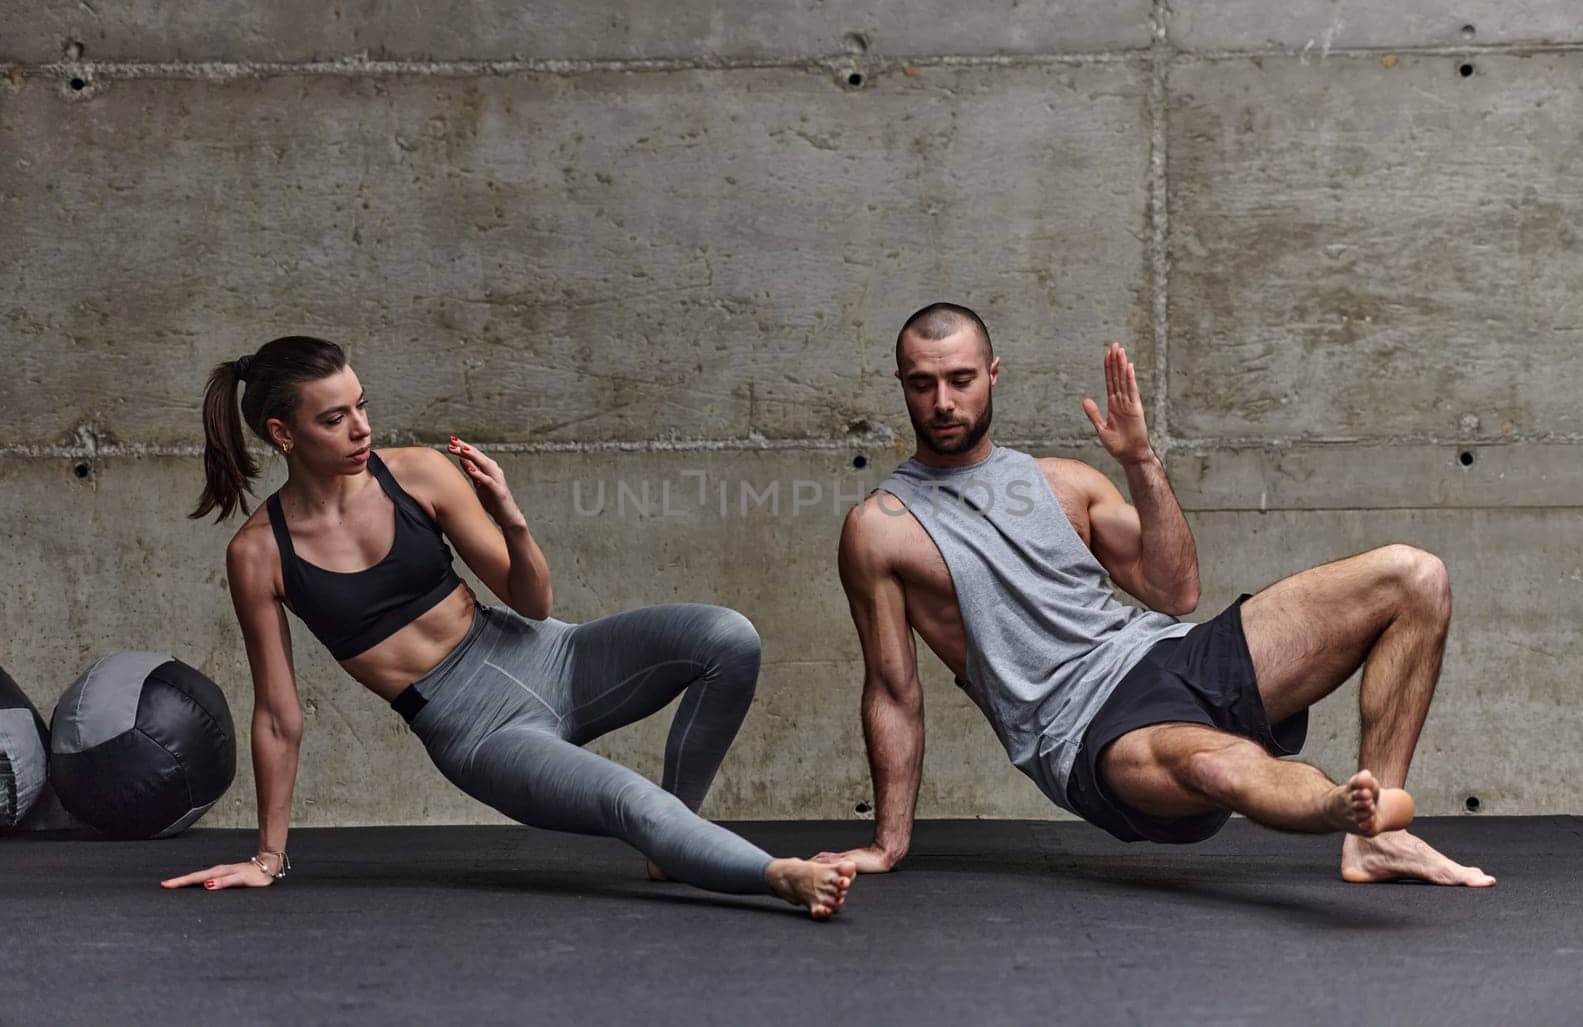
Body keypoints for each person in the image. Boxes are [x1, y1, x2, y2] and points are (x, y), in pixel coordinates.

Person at [162, 336, 854, 918]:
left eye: (363, 405)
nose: (362, 428)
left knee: (728, 637)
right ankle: (777, 875)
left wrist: (511, 517)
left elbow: (534, 601)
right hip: (480, 730)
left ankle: (671, 847)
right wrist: (268, 857)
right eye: (334, 418)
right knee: (629, 796)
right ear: (283, 433)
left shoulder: (419, 474)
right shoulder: (260, 553)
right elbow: (280, 717)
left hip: (549, 655)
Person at [814, 303, 1493, 887]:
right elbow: (893, 688)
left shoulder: (1065, 481)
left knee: (1415, 577)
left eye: (960, 380)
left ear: (992, 375)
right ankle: (1332, 806)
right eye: (924, 383)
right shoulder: (881, 529)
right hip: (1084, 726)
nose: (943, 402)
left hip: (1170, 653)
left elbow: (1176, 591)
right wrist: (887, 841)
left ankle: (1375, 836)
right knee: (1216, 764)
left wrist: (1139, 460)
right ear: (901, 384)